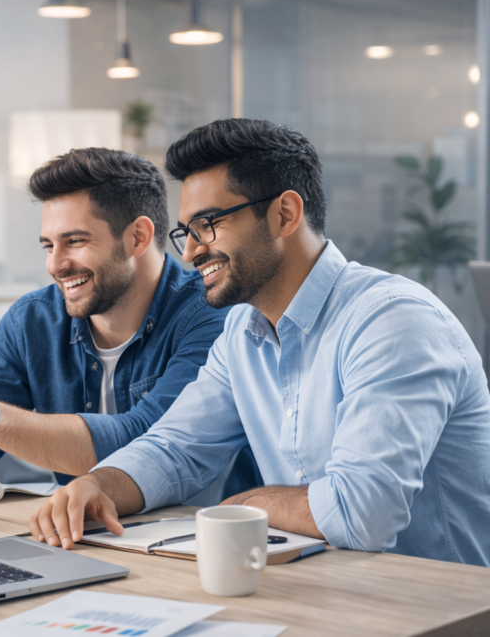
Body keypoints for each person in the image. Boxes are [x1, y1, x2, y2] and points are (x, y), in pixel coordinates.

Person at [28, 119, 490, 566]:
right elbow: (176, 449)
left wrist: (245, 505)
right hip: (322, 589)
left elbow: (361, 514)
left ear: (284, 214)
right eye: (186, 231)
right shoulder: (242, 332)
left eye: (208, 224)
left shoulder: (392, 321)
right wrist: (98, 485)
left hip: (436, 602)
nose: (189, 252)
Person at [0, 148, 258, 503]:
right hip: (75, 533)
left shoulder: (215, 313)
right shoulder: (32, 320)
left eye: (74, 241)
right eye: (48, 245)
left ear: (138, 237)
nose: (55, 264)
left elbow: (146, 444)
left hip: (196, 538)